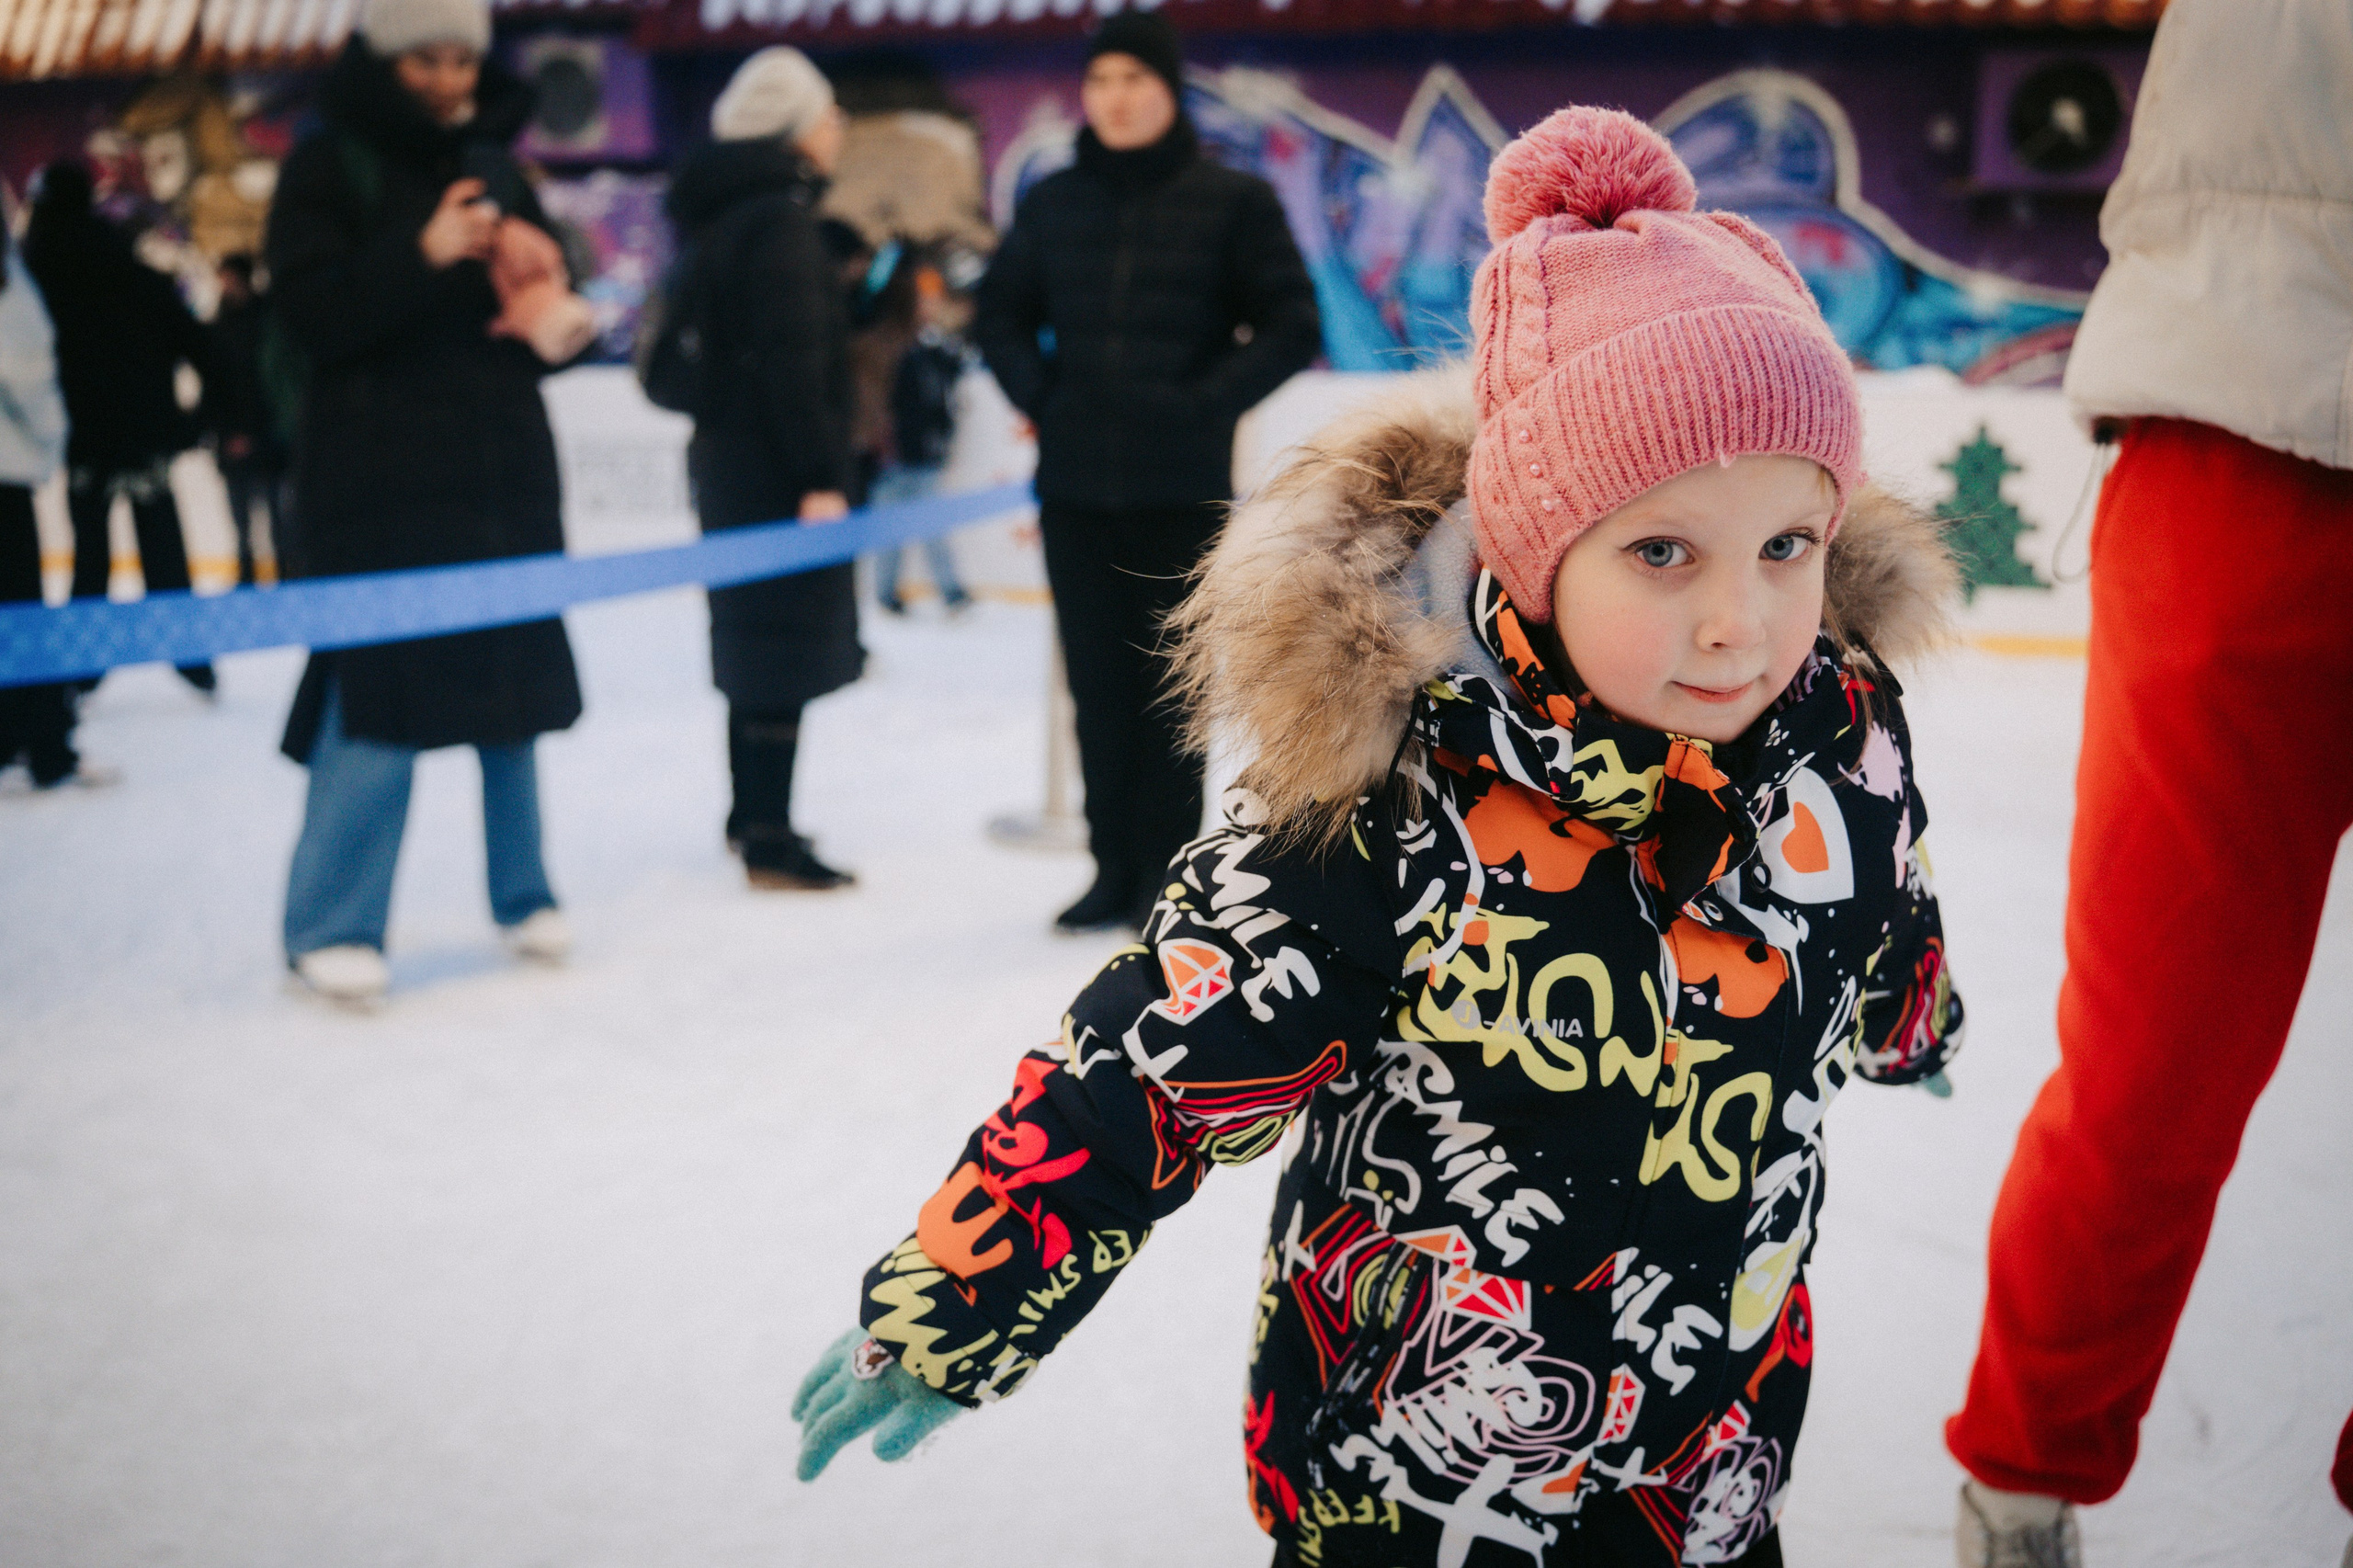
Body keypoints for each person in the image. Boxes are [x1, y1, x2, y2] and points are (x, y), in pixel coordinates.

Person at [789, 109, 1966, 1567]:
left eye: (1787, 545)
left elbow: (1881, 891)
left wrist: (1916, 1016)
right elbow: (1148, 1065)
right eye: (1661, 552)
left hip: (1707, 1473)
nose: (1740, 621)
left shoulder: (1840, 724)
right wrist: (958, 1297)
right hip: (1406, 1489)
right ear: (1537, 553)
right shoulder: (1392, 798)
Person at [1943, 4, 2353, 1564]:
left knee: (2146, 1063)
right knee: (2151, 1061)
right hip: (2241, 420)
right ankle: (2023, 1480)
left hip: (2231, 405)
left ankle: (2018, 1490)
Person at [267, 0, 591, 1008]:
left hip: (499, 469)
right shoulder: (327, 166)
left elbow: (523, 291)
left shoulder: (498, 161)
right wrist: (422, 248)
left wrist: (542, 284)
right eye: (428, 61)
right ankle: (333, 919)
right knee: (379, 696)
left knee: (515, 687)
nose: (451, 79)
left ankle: (523, 889)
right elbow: (311, 315)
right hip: (377, 482)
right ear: (384, 57)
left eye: (463, 58)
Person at [973, 12, 1320, 934]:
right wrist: (1042, 393)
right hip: (1077, 490)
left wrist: (1205, 399)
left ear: (1167, 92)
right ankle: (1107, 865)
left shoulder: (1231, 200)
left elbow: (1294, 323)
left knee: (1171, 689)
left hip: (1179, 488)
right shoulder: (1054, 201)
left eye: (1135, 80)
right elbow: (998, 313)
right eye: (1101, 82)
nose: (1116, 99)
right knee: (1095, 687)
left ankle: (1168, 876)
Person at [665, 47, 863, 892]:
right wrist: (821, 473)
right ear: (792, 129)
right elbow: (795, 363)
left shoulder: (721, 218)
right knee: (782, 649)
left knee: (751, 644)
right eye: (826, 114)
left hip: (728, 464)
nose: (838, 128)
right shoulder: (780, 224)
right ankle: (771, 837)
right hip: (780, 475)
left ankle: (749, 815)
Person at [21, 159, 217, 695]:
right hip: (147, 435)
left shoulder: (39, 277)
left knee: (89, 556)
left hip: (83, 438)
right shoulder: (135, 275)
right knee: (164, 549)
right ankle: (192, 659)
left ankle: (82, 669)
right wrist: (193, 422)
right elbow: (204, 348)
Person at [0, 207, 94, 789]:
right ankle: (44, 745)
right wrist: (49, 444)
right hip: (4, 480)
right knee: (21, 611)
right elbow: (27, 370)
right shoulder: (9, 285)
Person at [873, 259, 973, 615]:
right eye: (923, 298)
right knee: (890, 534)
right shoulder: (890, 344)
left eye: (935, 299)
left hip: (925, 456)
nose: (930, 306)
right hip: (893, 458)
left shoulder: (936, 348)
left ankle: (950, 592)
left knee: (933, 529)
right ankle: (886, 594)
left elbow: (951, 380)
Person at [204, 252, 286, 586]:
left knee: (279, 521)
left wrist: (250, 433)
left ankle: (285, 575)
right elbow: (215, 387)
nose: (226, 286)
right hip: (236, 439)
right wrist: (226, 434)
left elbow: (272, 385)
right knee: (242, 524)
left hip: (266, 440)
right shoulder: (220, 326)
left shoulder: (266, 325)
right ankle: (249, 576)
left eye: (231, 278)